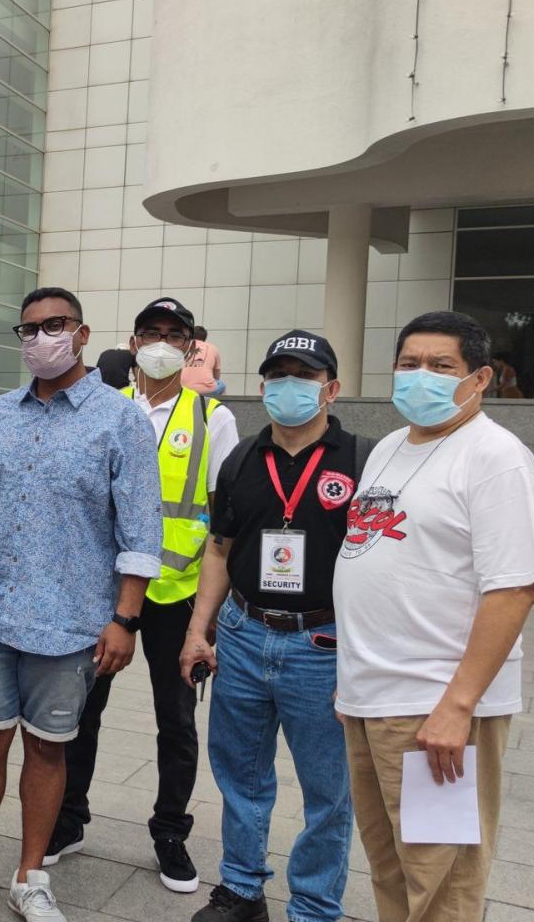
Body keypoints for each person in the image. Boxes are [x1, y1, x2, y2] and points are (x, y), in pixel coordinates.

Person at [0, 287, 161, 922]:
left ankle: (31, 876)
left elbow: (141, 531)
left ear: (82, 333)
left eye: (53, 325)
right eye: (27, 329)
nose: (39, 338)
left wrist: (124, 618)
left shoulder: (120, 421)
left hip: (68, 621)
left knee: (49, 748)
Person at [334, 311, 534, 922]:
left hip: (436, 708)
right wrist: (351, 682)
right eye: (408, 363)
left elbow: (513, 591)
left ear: (478, 378)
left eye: (439, 366)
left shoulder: (495, 457)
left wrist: (457, 706)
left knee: (443, 880)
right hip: (371, 696)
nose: (418, 376)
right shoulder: (391, 449)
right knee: (392, 866)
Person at [177, 331, 371, 922]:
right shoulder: (242, 459)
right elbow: (219, 549)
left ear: (331, 389)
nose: (288, 387)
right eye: (278, 376)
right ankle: (241, 888)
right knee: (240, 773)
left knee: (327, 791)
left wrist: (367, 658)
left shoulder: (364, 459)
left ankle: (313, 905)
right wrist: (197, 631)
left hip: (323, 642)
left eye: (304, 376)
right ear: (262, 387)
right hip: (242, 631)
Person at [53, 297, 239, 896]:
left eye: (174, 334)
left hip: (176, 596)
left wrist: (207, 619)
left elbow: (223, 527)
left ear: (191, 348)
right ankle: (68, 819)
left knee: (176, 722)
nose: (161, 342)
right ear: (133, 344)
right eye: (151, 332)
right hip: (101, 594)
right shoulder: (102, 410)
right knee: (81, 713)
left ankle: (169, 833)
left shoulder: (214, 419)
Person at [183, 325, 225, 397]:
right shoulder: (213, 348)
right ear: (204, 338)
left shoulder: (183, 346)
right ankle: (216, 406)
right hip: (207, 391)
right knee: (221, 384)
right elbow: (216, 373)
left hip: (183, 389)